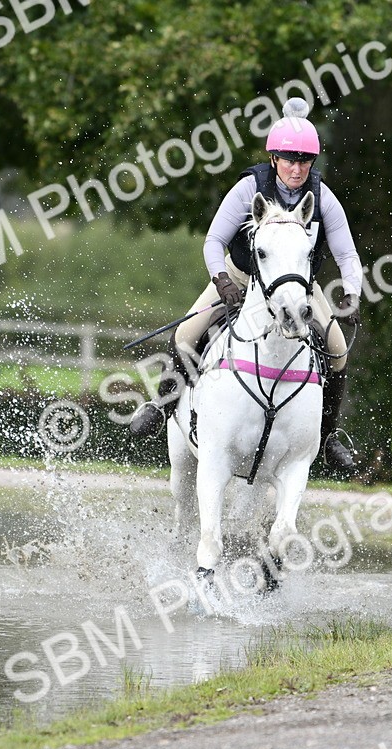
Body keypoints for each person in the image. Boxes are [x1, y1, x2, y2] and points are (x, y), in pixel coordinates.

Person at [129, 98, 363, 472]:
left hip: (296, 283)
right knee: (186, 336)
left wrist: (351, 292)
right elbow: (213, 241)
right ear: (274, 159)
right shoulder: (248, 188)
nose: (297, 168)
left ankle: (329, 435)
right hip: (238, 275)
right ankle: (163, 405)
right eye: (289, 159)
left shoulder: (322, 198)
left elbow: (347, 255)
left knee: (337, 350)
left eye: (304, 161)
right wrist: (222, 281)